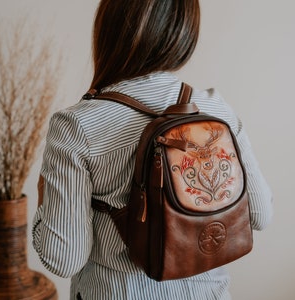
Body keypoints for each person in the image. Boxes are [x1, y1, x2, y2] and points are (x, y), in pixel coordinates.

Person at [32, 0, 273, 299]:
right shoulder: (215, 107)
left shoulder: (77, 124)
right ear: (184, 34)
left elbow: (65, 258)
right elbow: (261, 214)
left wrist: (43, 199)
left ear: (108, 30)